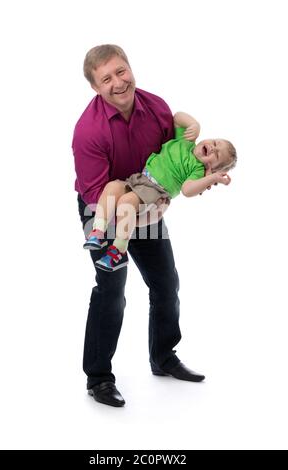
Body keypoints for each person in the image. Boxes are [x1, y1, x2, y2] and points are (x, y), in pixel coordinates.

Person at [73, 44, 209, 407]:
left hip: (145, 200)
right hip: (102, 209)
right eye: (107, 78)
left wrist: (168, 198)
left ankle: (163, 357)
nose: (118, 82)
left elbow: (171, 163)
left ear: (130, 68)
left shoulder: (157, 108)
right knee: (112, 287)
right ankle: (99, 378)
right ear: (95, 87)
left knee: (166, 282)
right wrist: (133, 216)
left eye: (122, 71)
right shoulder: (89, 131)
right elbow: (93, 192)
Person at [84, 111, 237, 272]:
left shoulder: (197, 169)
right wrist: (194, 125)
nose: (212, 147)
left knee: (126, 202)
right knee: (112, 187)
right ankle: (98, 231)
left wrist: (210, 178)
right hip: (140, 179)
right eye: (214, 142)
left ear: (210, 168)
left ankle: (119, 250)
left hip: (156, 192)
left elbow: (187, 190)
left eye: (217, 154)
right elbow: (177, 118)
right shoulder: (185, 142)